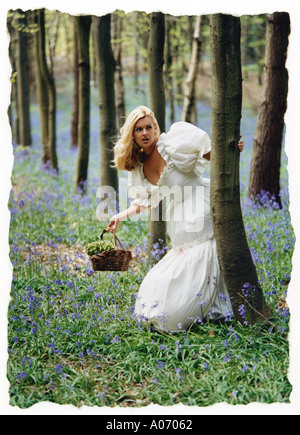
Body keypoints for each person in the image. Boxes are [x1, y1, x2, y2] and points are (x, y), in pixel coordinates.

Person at [107, 105, 244, 333]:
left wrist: (233, 149)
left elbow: (212, 156)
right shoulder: (138, 168)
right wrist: (120, 216)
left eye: (149, 127)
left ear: (155, 128)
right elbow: (145, 202)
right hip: (179, 214)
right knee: (172, 271)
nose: (145, 133)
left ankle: (209, 305)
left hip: (201, 201)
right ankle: (191, 305)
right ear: (132, 134)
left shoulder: (170, 144)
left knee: (203, 252)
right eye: (139, 129)